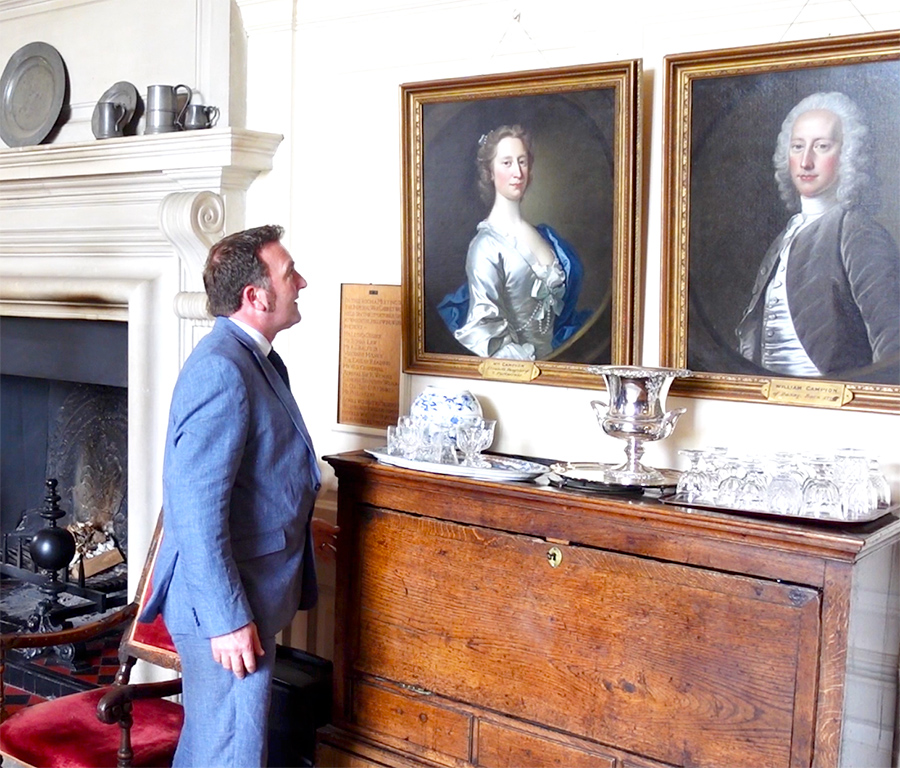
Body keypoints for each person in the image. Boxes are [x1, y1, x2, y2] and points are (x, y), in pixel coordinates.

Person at [140, 224, 329, 767]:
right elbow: (194, 510)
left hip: (246, 594)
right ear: (256, 296)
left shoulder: (259, 359)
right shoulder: (223, 369)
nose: (302, 282)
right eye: (289, 273)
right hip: (222, 607)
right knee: (229, 754)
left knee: (217, 747)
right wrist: (226, 619)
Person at [735, 92, 900, 382]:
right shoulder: (788, 234)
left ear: (849, 154)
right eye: (798, 147)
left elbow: (892, 343)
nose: (806, 161)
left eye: (822, 146)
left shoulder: (857, 232)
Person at [438, 125, 590, 360]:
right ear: (489, 171)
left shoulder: (545, 236)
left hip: (558, 363)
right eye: (506, 163)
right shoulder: (485, 246)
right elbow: (485, 331)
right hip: (516, 369)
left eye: (522, 162)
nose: (518, 173)